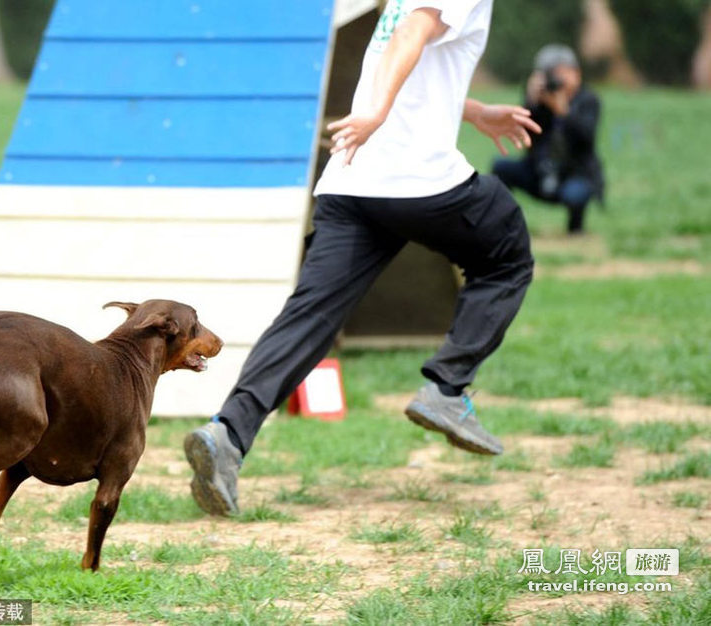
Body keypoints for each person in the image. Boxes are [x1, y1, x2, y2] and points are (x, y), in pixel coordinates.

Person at [184, 0, 539, 516]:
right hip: (417, 179)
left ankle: (227, 436)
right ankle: (447, 387)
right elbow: (411, 36)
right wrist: (375, 115)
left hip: (351, 183)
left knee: (311, 314)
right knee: (508, 253)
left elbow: (418, 61)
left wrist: (473, 110)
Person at [492, 44, 604, 234]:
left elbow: (586, 139)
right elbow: (525, 132)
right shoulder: (540, 102)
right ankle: (506, 224)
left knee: (575, 193)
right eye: (550, 75)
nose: (556, 81)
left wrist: (564, 112)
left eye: (560, 73)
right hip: (538, 171)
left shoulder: (588, 100)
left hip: (575, 173)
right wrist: (531, 101)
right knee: (500, 167)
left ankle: (575, 229)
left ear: (576, 73)